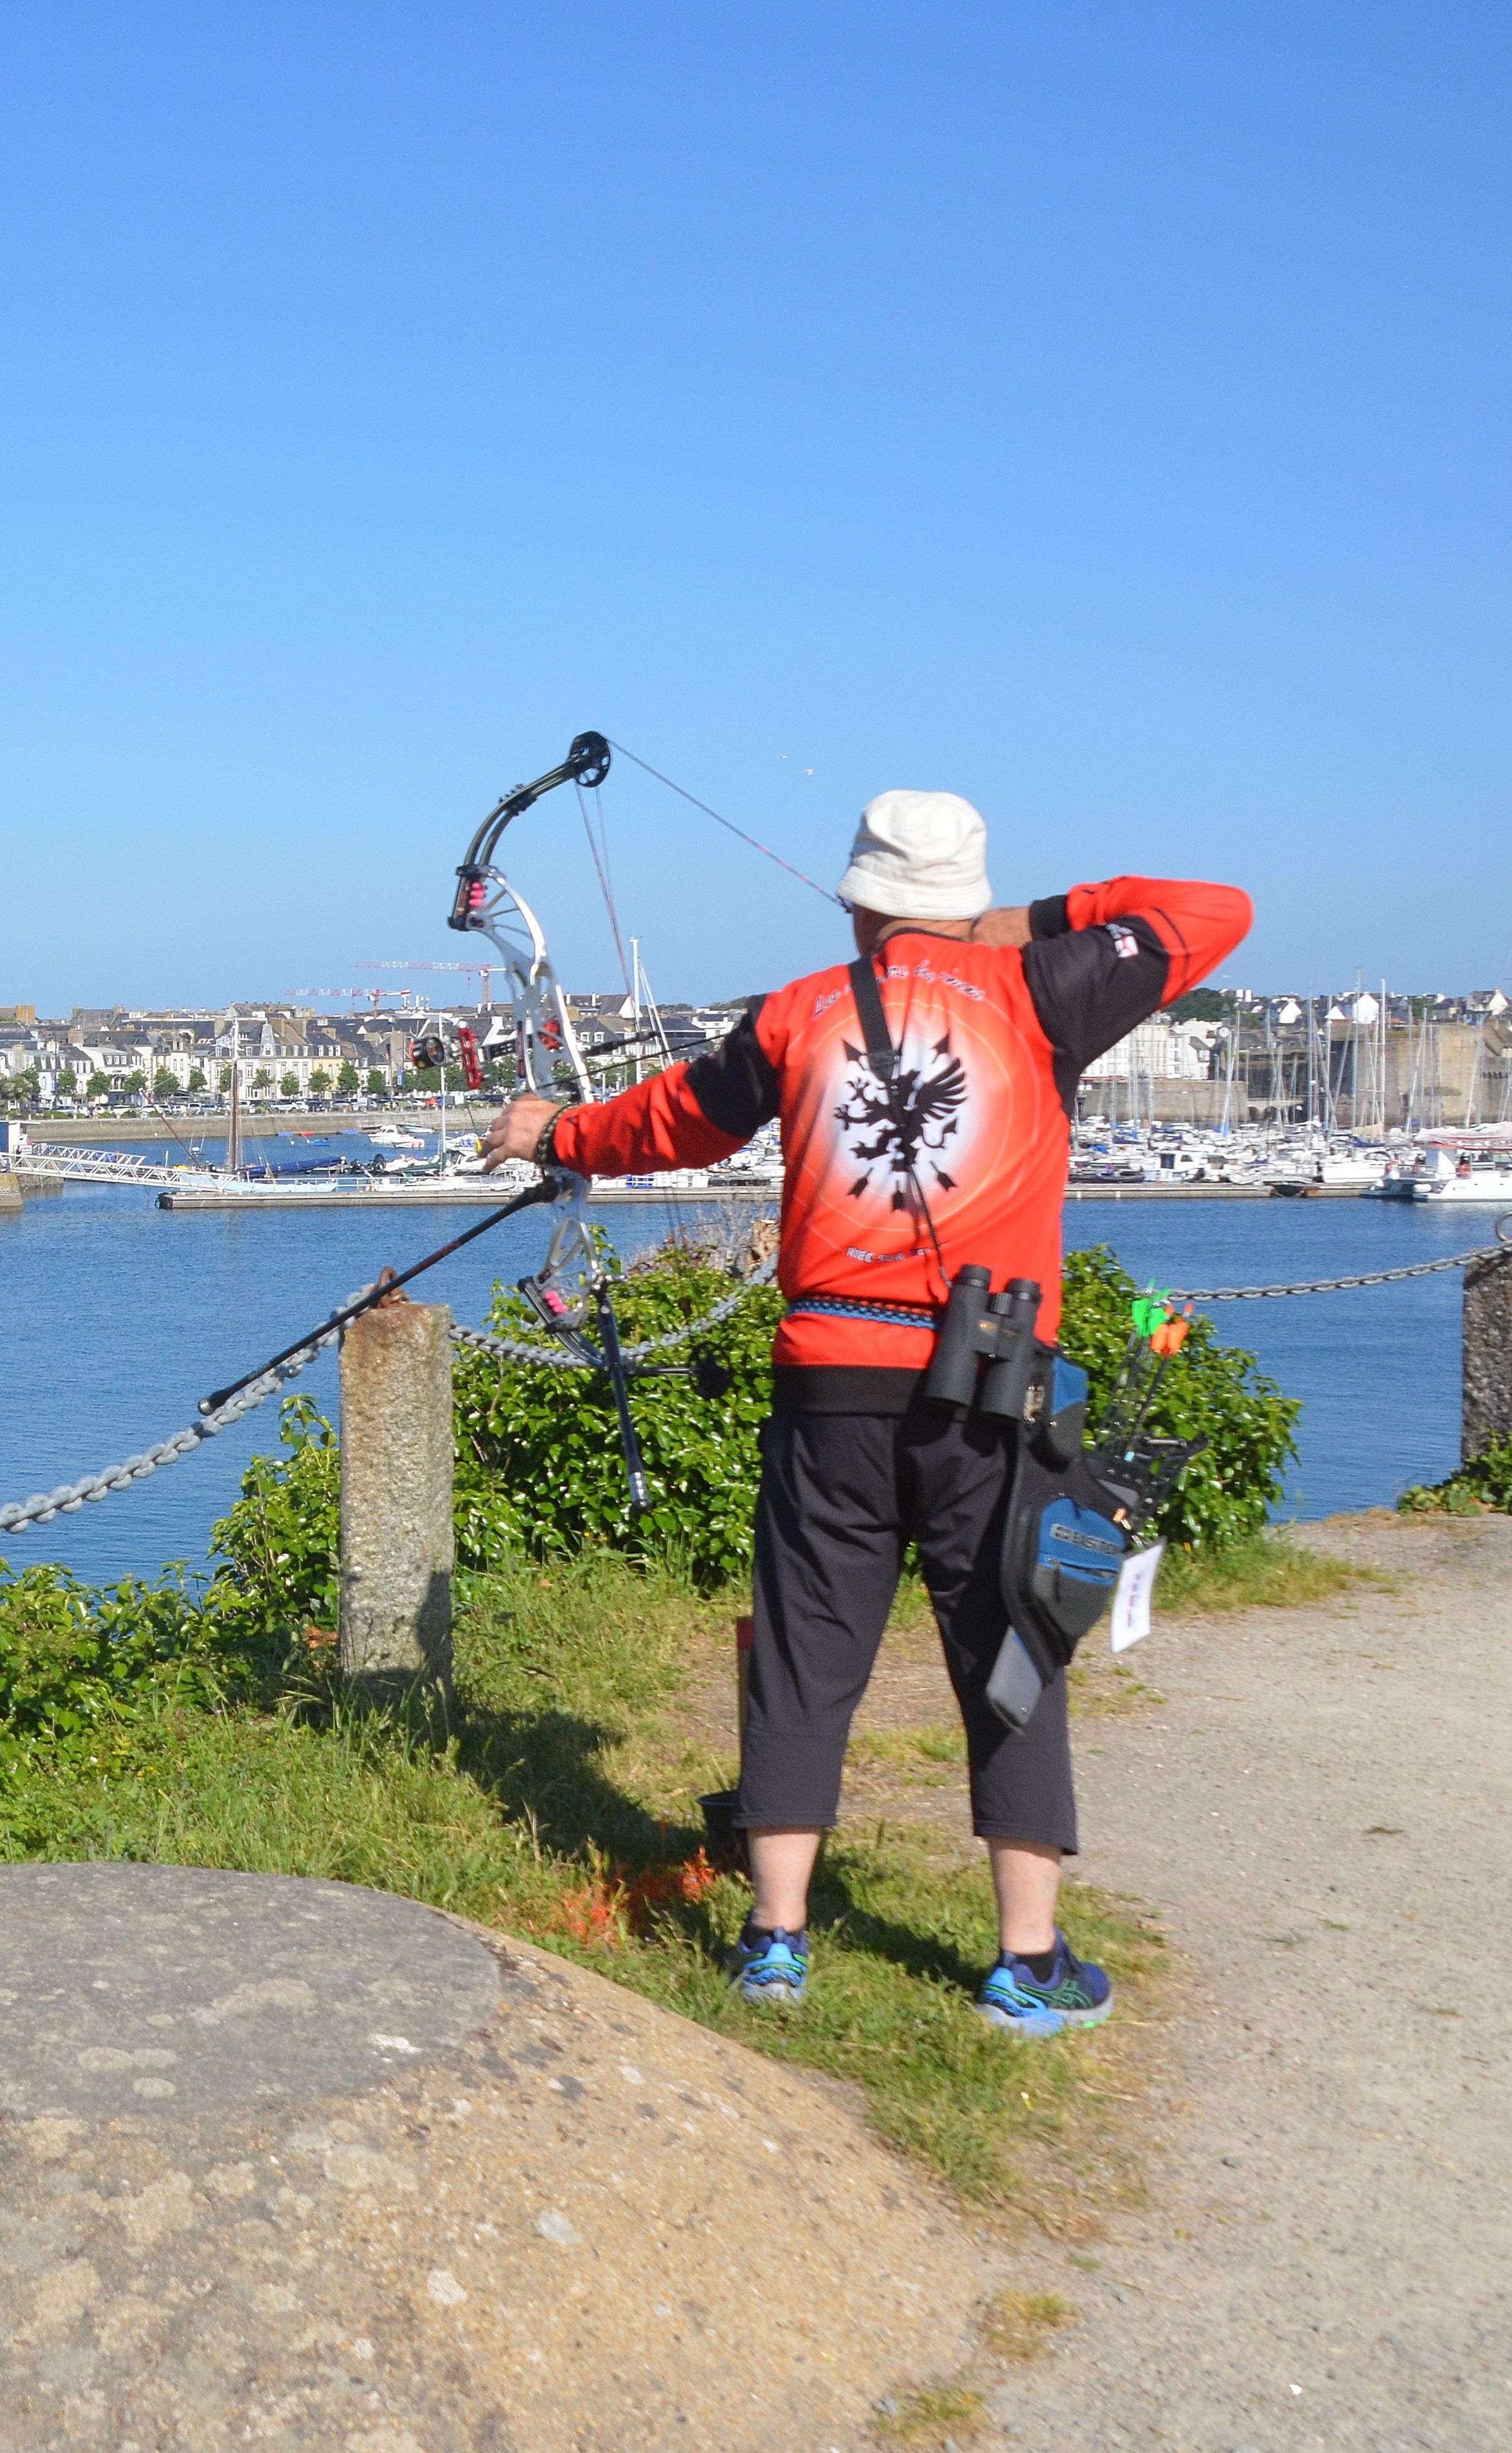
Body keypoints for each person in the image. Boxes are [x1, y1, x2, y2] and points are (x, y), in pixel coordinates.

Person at [481, 789, 1248, 2038]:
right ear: (965, 900)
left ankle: (774, 1942)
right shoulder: (1043, 988)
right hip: (988, 1389)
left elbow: (674, 1121)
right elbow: (1215, 909)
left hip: (827, 1381)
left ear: (856, 903)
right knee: (1011, 1648)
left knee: (804, 1648)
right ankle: (1025, 1962)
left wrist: (558, 1130)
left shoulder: (798, 1011)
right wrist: (1030, 921)